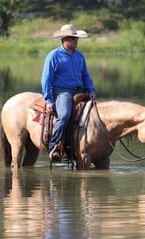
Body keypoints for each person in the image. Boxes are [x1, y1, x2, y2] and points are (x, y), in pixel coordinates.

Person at [41, 24, 96, 161]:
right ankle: (54, 145)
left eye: (76, 38)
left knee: (96, 114)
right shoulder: (53, 56)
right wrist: (48, 100)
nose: (75, 41)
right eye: (72, 38)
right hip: (62, 92)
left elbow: (85, 76)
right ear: (64, 39)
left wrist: (91, 90)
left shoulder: (79, 56)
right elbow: (46, 79)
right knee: (65, 115)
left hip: (80, 91)